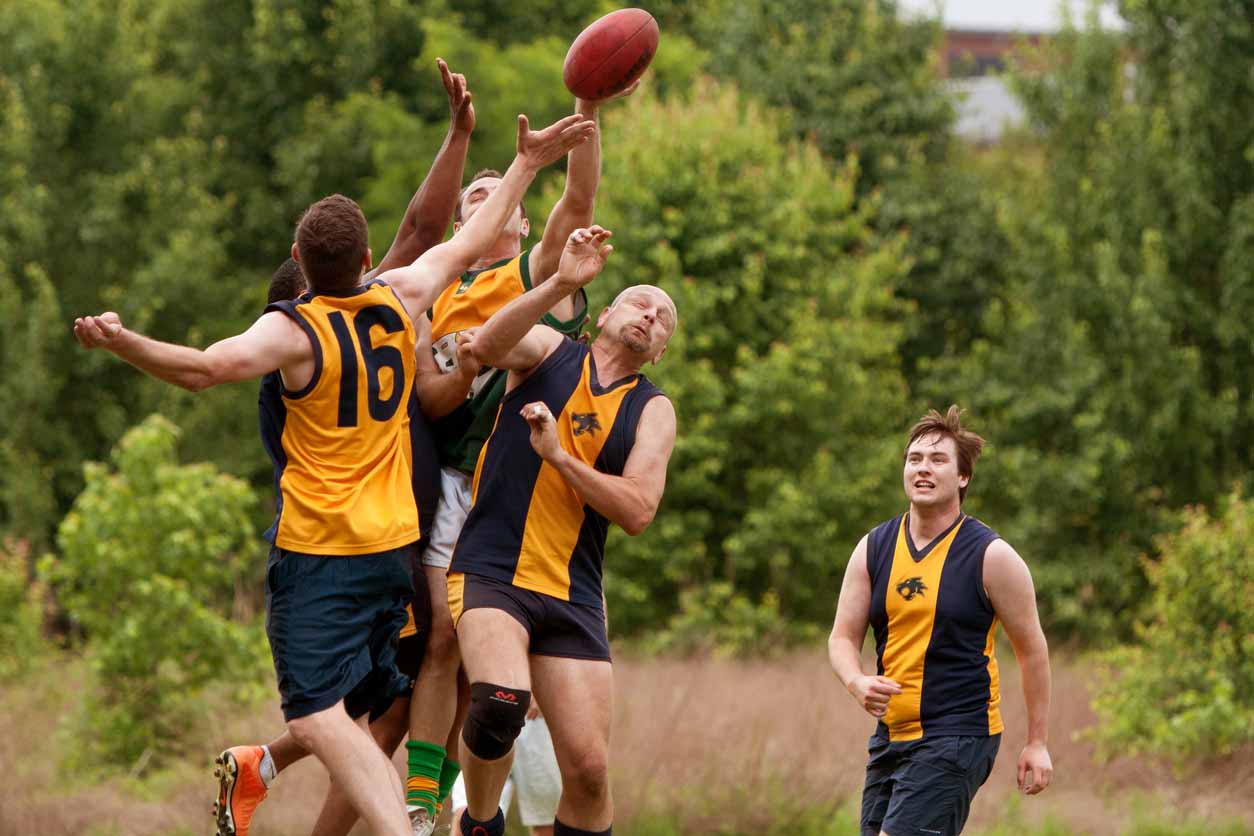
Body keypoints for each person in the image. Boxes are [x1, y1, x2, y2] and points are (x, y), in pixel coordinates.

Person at [72, 111, 596, 836]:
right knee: (356, 719)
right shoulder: (400, 297)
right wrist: (527, 163)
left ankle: (395, 826)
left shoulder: (293, 330)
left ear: (297, 257)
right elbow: (472, 238)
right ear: (369, 256)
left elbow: (200, 370)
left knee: (317, 713)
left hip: (321, 556)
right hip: (392, 554)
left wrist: (121, 340)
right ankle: (375, 808)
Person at [207, 56, 474, 836]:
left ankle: (261, 763)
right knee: (385, 714)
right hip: (368, 538)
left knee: (374, 709)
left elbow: (424, 233)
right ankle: (402, 810)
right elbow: (423, 233)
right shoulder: (319, 340)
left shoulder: (349, 313)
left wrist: (463, 143)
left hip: (392, 529)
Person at [403, 83, 638, 836]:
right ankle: (426, 797)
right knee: (445, 643)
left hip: (521, 491)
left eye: (492, 190)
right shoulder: (434, 292)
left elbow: (583, 189)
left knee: (520, 689)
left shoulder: (534, 272)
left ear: (518, 216)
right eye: (473, 194)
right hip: (448, 478)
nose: (480, 200)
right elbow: (433, 402)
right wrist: (463, 365)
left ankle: (503, 809)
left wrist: (589, 103)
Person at [449, 225, 678, 836]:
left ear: (659, 351)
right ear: (604, 314)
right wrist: (557, 281)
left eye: (662, 319)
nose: (650, 315)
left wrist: (560, 457)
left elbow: (637, 511)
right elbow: (486, 346)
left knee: (591, 770)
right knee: (499, 702)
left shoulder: (652, 410)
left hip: (573, 592)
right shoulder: (552, 349)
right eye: (639, 302)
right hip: (493, 568)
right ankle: (479, 823)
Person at [827, 406, 1054, 836]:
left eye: (938, 460)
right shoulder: (874, 547)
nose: (923, 468)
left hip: (959, 734)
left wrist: (1038, 742)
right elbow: (841, 637)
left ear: (963, 477)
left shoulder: (992, 556)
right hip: (891, 736)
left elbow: (1033, 652)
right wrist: (856, 682)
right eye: (915, 459)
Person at [450, 703, 562, 836]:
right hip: (491, 715)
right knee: (467, 820)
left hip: (538, 726)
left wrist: (545, 692)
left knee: (546, 825)